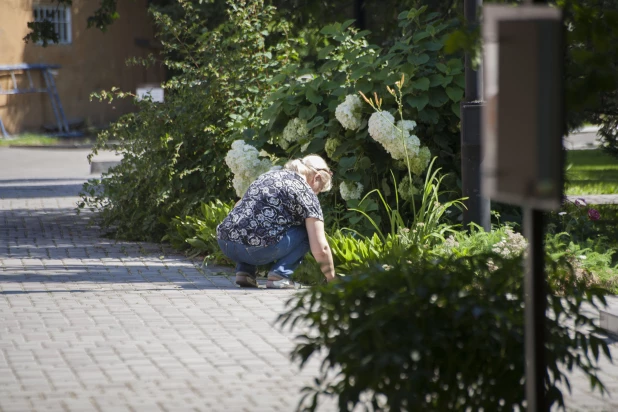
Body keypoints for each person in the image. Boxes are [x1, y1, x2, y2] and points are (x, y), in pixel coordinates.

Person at [216, 154, 336, 289]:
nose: (316, 194)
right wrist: (332, 279)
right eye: (319, 189)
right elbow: (321, 249)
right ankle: (279, 276)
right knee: (307, 231)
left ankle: (245, 273)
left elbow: (239, 207)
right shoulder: (305, 192)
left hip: (225, 242)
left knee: (254, 222)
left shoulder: (268, 176)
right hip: (256, 250)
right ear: (316, 178)